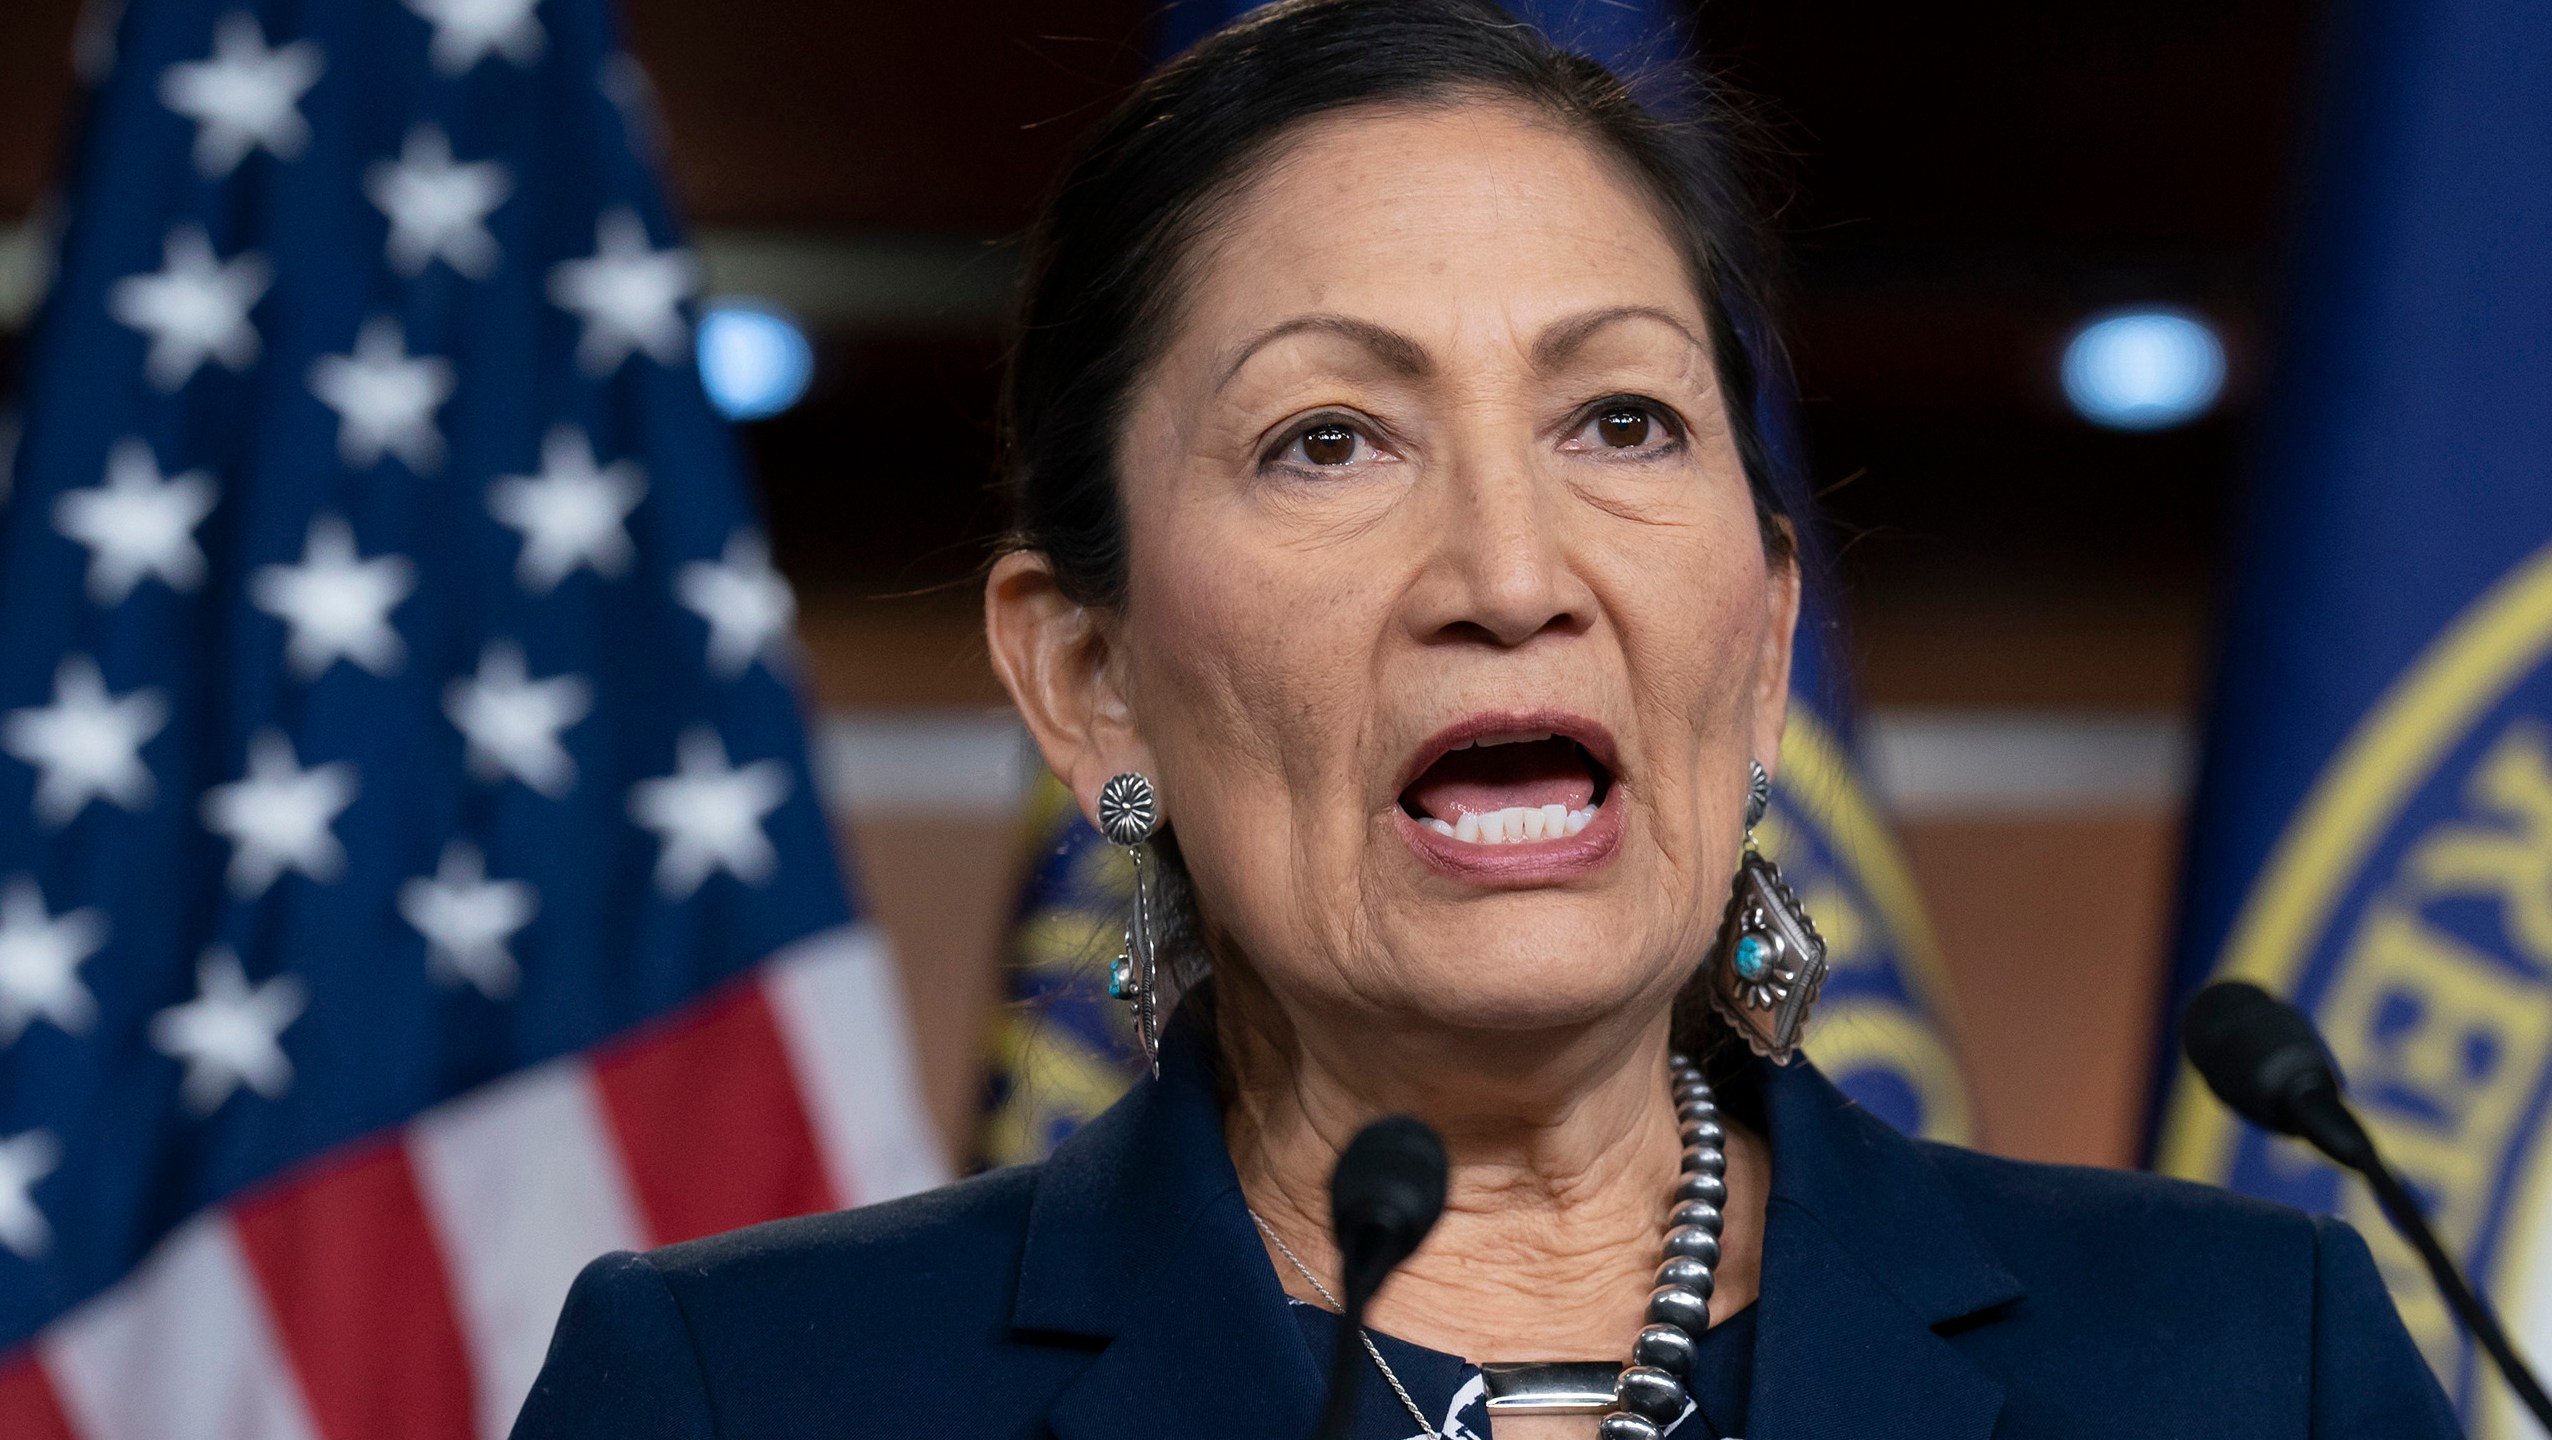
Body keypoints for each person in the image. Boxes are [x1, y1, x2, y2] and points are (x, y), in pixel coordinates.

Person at [511, 1, 2460, 1435]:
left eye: (1618, 419)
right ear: (1086, 677)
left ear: (1762, 640)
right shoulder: (739, 1397)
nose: (1508, 572)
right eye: (1328, 440)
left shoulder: (2238, 1360)